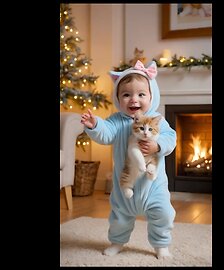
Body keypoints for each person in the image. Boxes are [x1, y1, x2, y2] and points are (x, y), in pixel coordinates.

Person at [80, 60, 177, 259]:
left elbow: (171, 137)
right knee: (119, 218)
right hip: (125, 183)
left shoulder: (156, 120)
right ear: (118, 98)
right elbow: (105, 134)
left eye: (141, 94)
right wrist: (94, 125)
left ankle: (161, 244)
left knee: (164, 214)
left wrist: (157, 146)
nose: (134, 99)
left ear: (152, 96)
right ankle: (117, 242)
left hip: (154, 185)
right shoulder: (116, 121)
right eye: (126, 94)